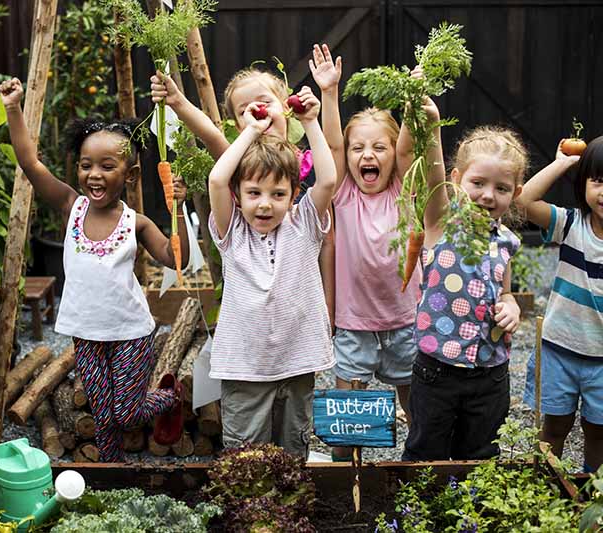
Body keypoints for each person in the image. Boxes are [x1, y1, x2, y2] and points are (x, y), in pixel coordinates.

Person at [0, 78, 189, 461]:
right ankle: (111, 473)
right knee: (103, 416)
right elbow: (30, 163)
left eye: (107, 166)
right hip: (87, 333)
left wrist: (178, 209)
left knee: (126, 412)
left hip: (130, 333)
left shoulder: (137, 223)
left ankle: (172, 397)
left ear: (130, 175)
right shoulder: (73, 207)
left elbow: (175, 258)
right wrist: (14, 108)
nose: (94, 175)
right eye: (86, 166)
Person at [151, 59, 336, 330]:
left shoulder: (307, 162)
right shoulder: (239, 164)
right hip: (252, 280)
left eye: (264, 101)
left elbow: (328, 230)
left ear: (286, 107)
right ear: (239, 124)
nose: (256, 109)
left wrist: (328, 307)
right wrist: (177, 101)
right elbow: (212, 136)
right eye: (243, 109)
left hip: (296, 283)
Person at [207, 85, 336, 458]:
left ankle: (287, 509)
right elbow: (217, 179)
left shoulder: (304, 225)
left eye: (278, 194)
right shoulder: (232, 232)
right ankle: (250, 515)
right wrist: (250, 130)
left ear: (294, 194)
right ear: (238, 195)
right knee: (245, 450)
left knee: (292, 445)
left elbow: (327, 180)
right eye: (254, 193)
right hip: (245, 365)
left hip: (298, 358)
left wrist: (310, 122)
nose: (265, 204)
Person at [311, 48, 421, 460]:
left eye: (379, 147)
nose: (367, 156)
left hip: (405, 321)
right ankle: (346, 475)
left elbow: (412, 149)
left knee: (417, 407)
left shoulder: (405, 190)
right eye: (360, 149)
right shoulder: (342, 194)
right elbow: (334, 147)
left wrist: (413, 98)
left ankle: (420, 465)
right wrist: (330, 92)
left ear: (394, 155)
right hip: (354, 324)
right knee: (348, 421)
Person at [402, 99, 526, 459]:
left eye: (502, 188)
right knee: (426, 452)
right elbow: (432, 172)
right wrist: (434, 125)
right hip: (437, 371)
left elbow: (505, 293)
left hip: (490, 374)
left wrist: (511, 307)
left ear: (515, 194)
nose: (488, 195)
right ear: (457, 180)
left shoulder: (507, 241)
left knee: (481, 454)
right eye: (478, 183)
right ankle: (419, 513)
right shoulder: (441, 222)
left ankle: (469, 515)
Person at [519, 136, 603, 472]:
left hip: (602, 361)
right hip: (559, 349)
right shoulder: (570, 225)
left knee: (598, 433)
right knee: (554, 426)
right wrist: (562, 163)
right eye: (598, 181)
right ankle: (542, 490)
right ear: (583, 182)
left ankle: (592, 501)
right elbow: (522, 201)